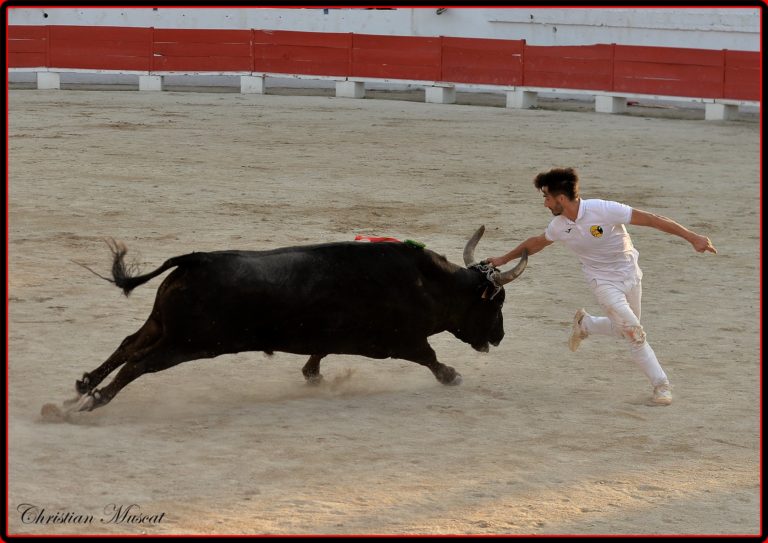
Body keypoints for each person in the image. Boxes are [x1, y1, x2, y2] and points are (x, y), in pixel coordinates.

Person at [484, 167, 717, 406]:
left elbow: (652, 219)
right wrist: (503, 259)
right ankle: (661, 386)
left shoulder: (603, 209)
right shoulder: (558, 225)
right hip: (601, 281)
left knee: (623, 328)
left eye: (546, 197)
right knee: (633, 333)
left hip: (630, 273)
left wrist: (693, 237)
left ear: (561, 198)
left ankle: (585, 324)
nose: (545, 203)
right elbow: (536, 243)